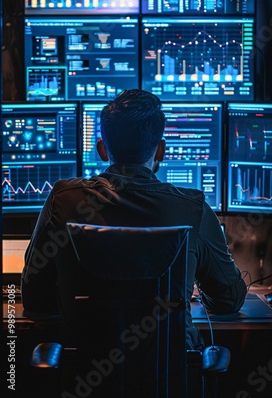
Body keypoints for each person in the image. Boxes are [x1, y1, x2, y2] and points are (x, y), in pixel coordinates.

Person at [21, 88, 246, 350]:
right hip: (171, 382)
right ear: (160, 150)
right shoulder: (192, 208)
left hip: (86, 382)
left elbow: (34, 298)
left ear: (102, 149)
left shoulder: (63, 199)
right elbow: (228, 300)